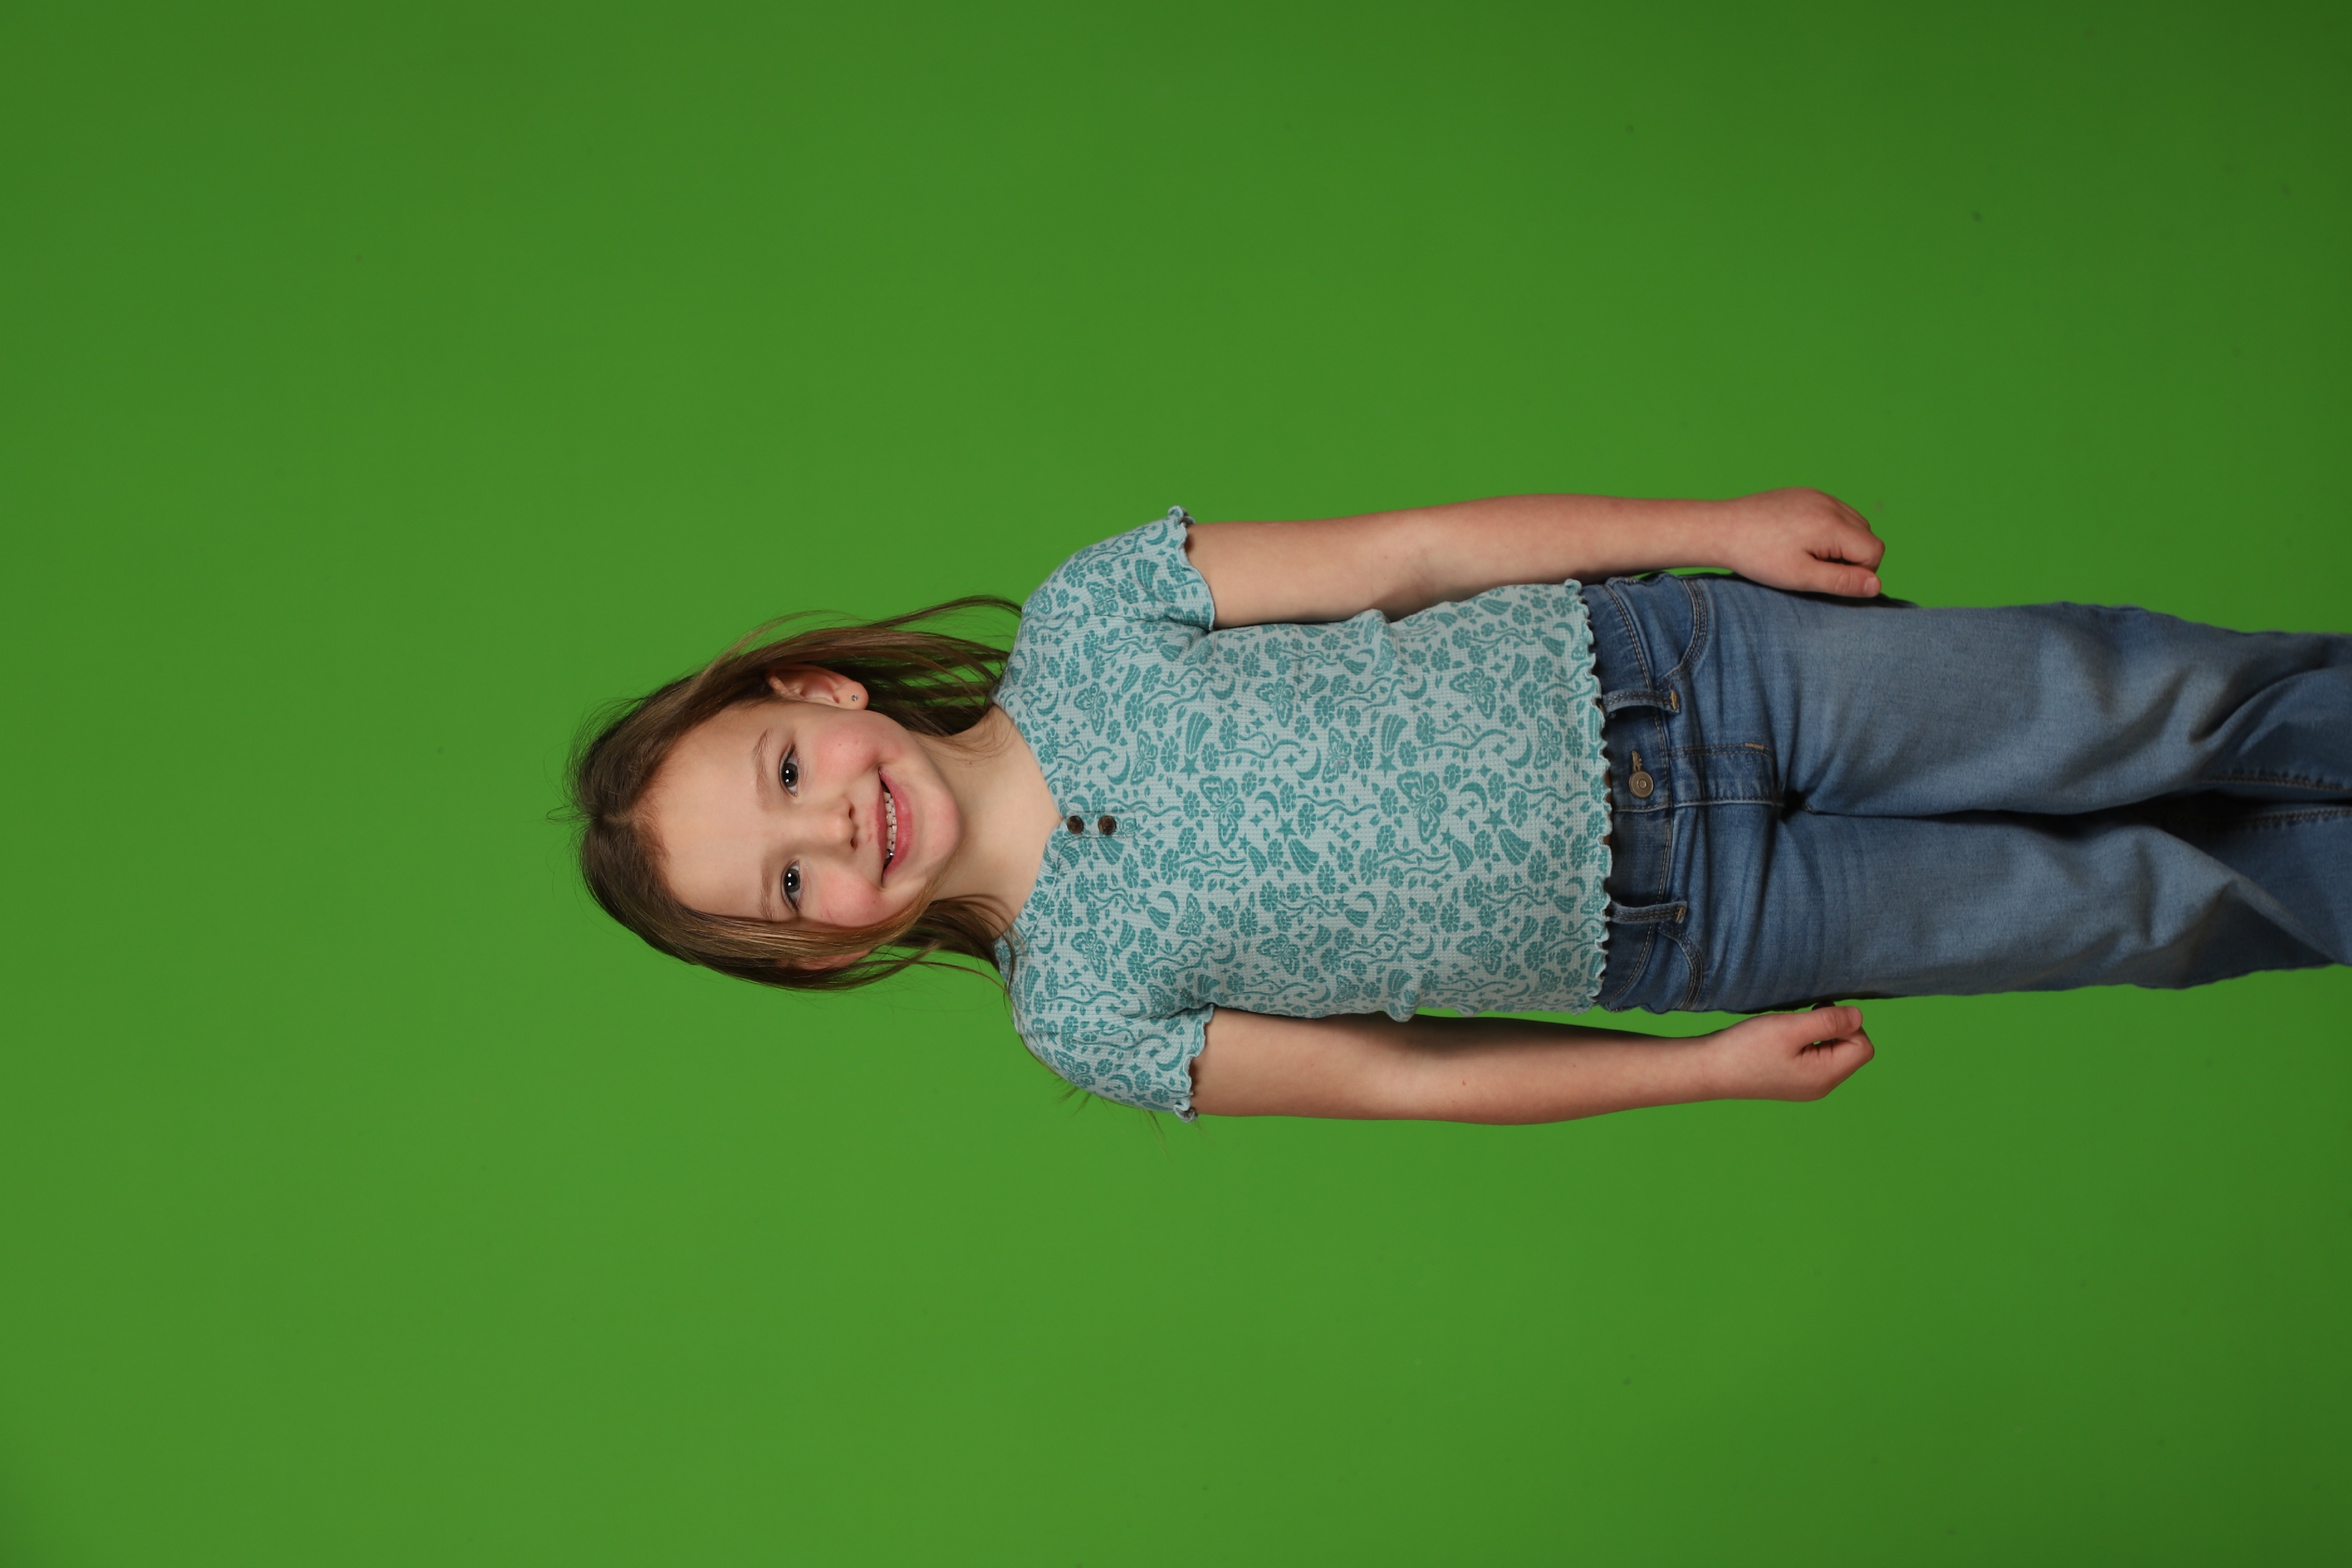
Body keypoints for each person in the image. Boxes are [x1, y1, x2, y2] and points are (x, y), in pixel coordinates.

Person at [568, 491, 2351, 1123]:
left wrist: (1712, 528)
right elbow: (1398, 1080)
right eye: (788, 886)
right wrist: (1698, 1071)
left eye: (783, 777)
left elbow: (1414, 554)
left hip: (1702, 672)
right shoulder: (1085, 1017)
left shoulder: (1092, 613)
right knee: (2134, 909)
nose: (833, 832)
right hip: (1702, 930)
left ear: (822, 693)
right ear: (823, 951)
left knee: (2134, 703)